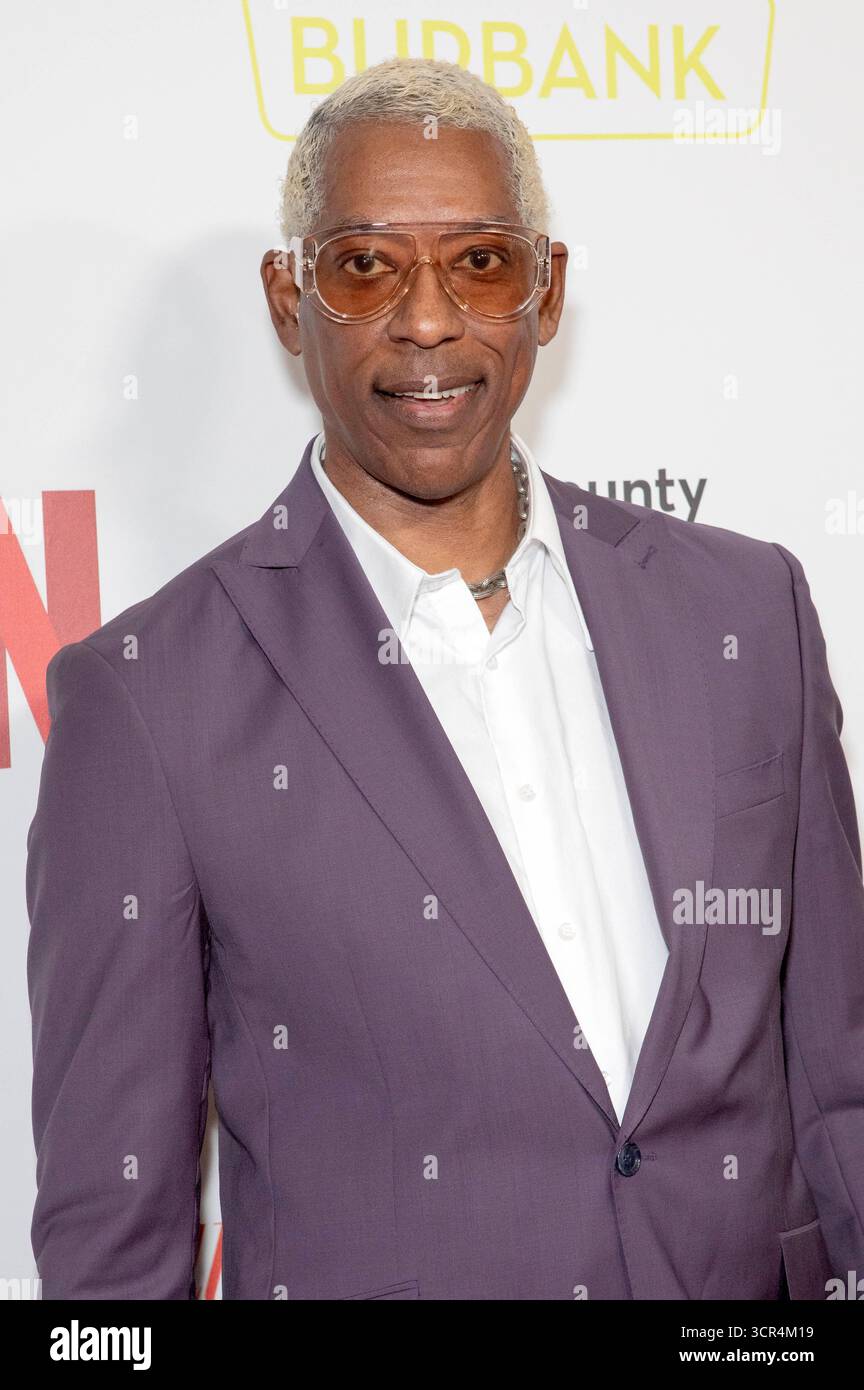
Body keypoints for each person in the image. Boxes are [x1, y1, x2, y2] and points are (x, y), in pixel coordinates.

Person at [27, 57, 864, 1300]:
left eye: (482, 261)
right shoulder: (150, 700)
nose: (429, 321)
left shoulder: (748, 612)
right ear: (286, 294)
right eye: (365, 265)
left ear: (548, 290)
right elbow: (114, 1243)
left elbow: (838, 1079)